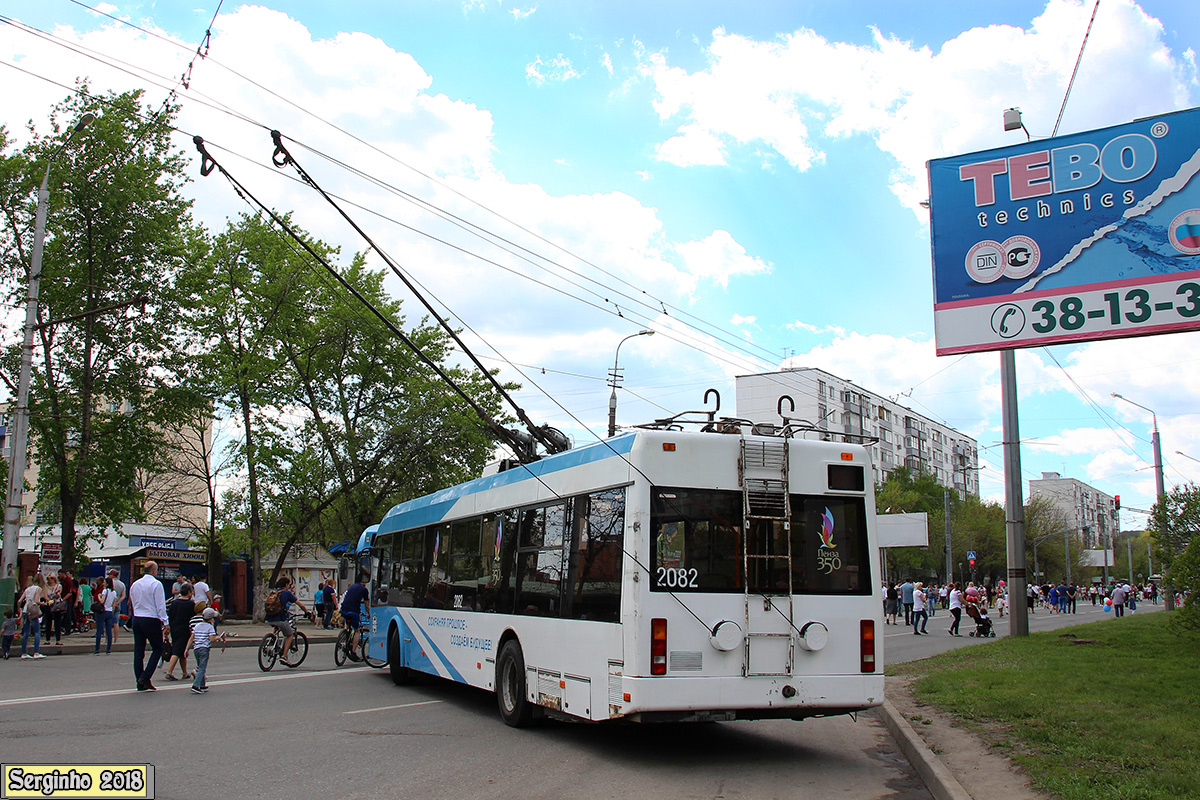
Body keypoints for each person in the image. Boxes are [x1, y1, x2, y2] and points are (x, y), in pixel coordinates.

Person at [129, 561, 168, 691]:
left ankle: (139, 680)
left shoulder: (135, 584)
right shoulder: (156, 584)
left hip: (137, 618)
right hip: (151, 618)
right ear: (153, 571)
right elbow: (160, 605)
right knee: (158, 648)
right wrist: (165, 622)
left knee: (139, 651)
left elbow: (133, 602)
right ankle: (145, 677)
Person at [265, 576, 310, 664]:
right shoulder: (287, 593)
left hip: (269, 618)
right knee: (289, 635)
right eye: (289, 585)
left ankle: (273, 645)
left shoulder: (273, 592)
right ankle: (284, 656)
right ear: (286, 585)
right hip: (280, 619)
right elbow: (300, 605)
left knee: (277, 629)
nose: (289, 586)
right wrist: (307, 612)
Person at [187, 607, 225, 694]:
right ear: (211, 619)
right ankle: (196, 685)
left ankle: (202, 685)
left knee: (200, 665)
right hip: (204, 649)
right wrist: (218, 638)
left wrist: (187, 649)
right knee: (202, 668)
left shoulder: (197, 626)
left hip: (196, 649)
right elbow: (211, 639)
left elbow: (191, 638)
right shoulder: (210, 627)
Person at [163, 583, 195, 681]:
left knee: (182, 651)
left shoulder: (174, 602)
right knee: (177, 651)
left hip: (174, 628)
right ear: (189, 592)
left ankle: (185, 672)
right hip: (184, 629)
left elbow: (170, 615)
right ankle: (169, 672)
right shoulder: (190, 604)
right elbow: (192, 617)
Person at [339, 573, 371, 659]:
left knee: (348, 624)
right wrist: (369, 614)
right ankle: (353, 651)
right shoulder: (364, 590)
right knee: (357, 631)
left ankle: (345, 637)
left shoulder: (351, 587)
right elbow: (367, 605)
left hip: (344, 610)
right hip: (354, 611)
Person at [18, 573, 47, 659]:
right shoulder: (38, 589)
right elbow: (36, 600)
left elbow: (19, 601)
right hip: (33, 611)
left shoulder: (28, 589)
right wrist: (42, 603)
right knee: (37, 631)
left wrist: (20, 609)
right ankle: (36, 652)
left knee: (26, 632)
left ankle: (24, 653)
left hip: (25, 610)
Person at [94, 576, 118, 655]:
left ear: (107, 584)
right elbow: (114, 604)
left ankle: (97, 649)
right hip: (110, 612)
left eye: (104, 582)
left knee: (99, 631)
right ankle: (108, 649)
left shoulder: (105, 591)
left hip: (103, 611)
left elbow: (102, 601)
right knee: (109, 631)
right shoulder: (114, 592)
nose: (103, 584)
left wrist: (99, 596)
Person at [107, 569, 127, 641]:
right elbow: (123, 596)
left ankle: (107, 639)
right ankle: (116, 639)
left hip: (109, 605)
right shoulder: (122, 584)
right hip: (118, 605)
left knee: (108, 623)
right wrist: (118, 602)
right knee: (116, 622)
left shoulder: (109, 583)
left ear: (112, 575)